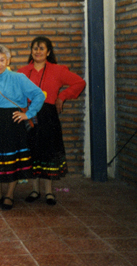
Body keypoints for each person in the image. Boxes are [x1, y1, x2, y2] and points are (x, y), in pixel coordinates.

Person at [17, 36, 86, 205]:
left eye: (41, 48)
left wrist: (62, 97)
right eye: (35, 48)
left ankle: (48, 192)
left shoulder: (58, 70)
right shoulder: (22, 72)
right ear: (31, 51)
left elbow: (79, 82)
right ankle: (34, 190)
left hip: (48, 115)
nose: (38, 51)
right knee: (32, 151)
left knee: (48, 151)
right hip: (29, 116)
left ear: (48, 52)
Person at [0, 44, 45, 210]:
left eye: (2, 60)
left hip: (13, 124)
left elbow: (38, 95)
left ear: (8, 60)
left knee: (12, 161)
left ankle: (9, 195)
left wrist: (28, 114)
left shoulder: (19, 77)